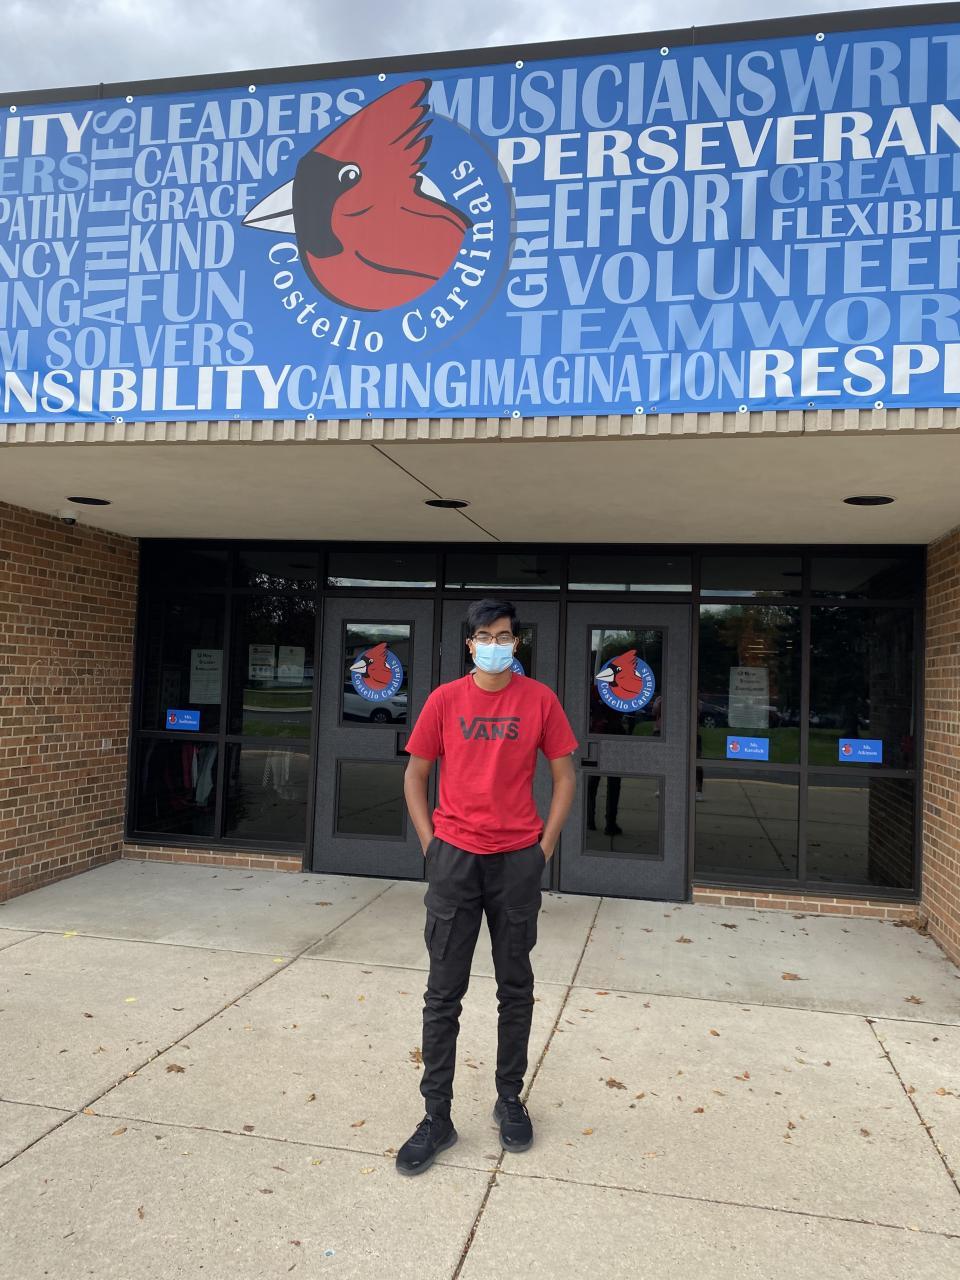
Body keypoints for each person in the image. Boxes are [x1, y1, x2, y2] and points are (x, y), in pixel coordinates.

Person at [395, 598, 577, 1176]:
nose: (494, 644)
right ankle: (436, 1117)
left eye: (503, 636)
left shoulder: (539, 700)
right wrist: (431, 845)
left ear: (515, 643)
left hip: (516, 860)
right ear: (469, 644)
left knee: (515, 987)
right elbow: (415, 775)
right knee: (442, 993)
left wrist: (544, 847)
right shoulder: (444, 700)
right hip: (455, 859)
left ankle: (509, 1098)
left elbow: (565, 775)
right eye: (483, 636)